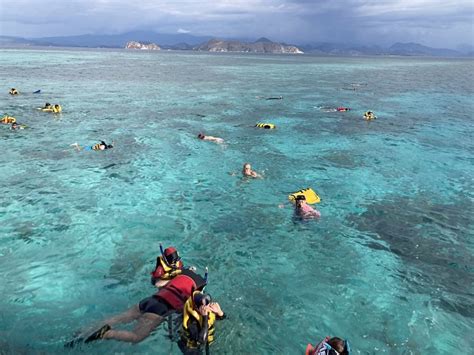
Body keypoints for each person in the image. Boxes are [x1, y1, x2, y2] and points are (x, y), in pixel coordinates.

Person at [66, 269, 207, 346]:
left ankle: (83, 331)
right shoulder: (197, 290)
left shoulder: (179, 275)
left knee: (117, 318)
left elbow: (159, 284)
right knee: (136, 337)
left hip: (149, 300)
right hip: (161, 308)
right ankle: (106, 334)